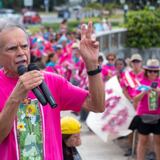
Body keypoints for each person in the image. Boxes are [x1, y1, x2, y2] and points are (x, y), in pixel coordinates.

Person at [0, 19, 105, 160]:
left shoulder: (52, 81)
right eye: (12, 48)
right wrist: (15, 97)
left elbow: (97, 105)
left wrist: (92, 65)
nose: (21, 52)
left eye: (24, 46)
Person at [130, 59, 160, 160]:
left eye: (155, 71)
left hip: (158, 116)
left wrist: (159, 92)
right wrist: (144, 92)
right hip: (144, 116)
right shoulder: (141, 82)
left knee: (158, 142)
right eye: (150, 71)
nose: (153, 73)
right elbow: (134, 99)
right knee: (142, 141)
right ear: (146, 71)